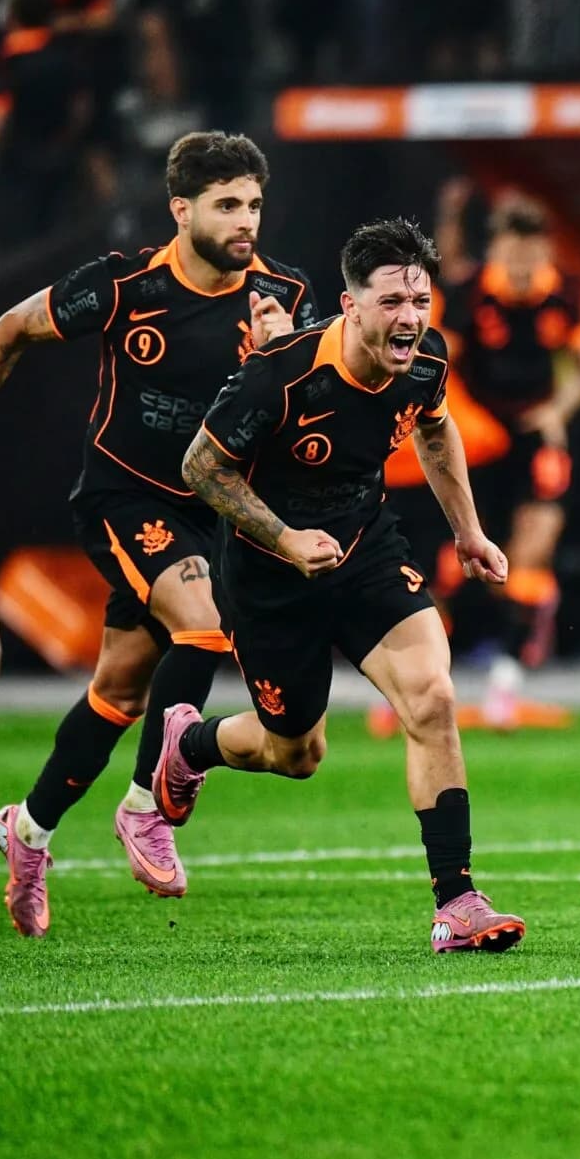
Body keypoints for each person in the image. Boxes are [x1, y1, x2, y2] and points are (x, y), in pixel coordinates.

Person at [0, 132, 315, 937]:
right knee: (203, 628)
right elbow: (8, 331)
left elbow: (305, 413)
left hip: (211, 508)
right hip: (122, 496)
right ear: (182, 211)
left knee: (120, 691)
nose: (247, 221)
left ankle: (28, 829)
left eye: (254, 204)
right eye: (227, 205)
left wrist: (283, 359)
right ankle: (146, 807)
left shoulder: (282, 293)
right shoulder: (124, 285)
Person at [144, 217, 525, 955]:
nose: (410, 318)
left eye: (420, 300)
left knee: (433, 696)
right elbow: (200, 467)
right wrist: (285, 538)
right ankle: (189, 743)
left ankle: (457, 903)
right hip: (269, 576)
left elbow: (435, 428)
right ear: (350, 306)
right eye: (392, 302)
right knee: (297, 754)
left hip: (365, 548)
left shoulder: (427, 361)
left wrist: (469, 532)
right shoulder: (280, 375)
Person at [450, 198, 580, 726]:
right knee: (477, 562)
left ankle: (505, 684)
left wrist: (557, 411)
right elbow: (442, 364)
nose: (522, 261)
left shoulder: (563, 293)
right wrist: (464, 424)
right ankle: (432, 681)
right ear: (496, 248)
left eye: (531, 250)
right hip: (477, 442)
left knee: (533, 550)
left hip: (535, 438)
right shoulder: (469, 292)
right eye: (513, 249)